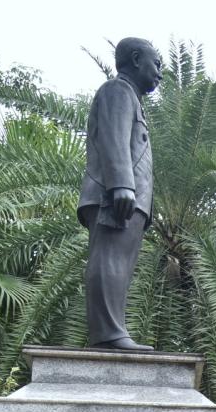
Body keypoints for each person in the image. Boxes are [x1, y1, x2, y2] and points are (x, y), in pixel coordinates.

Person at [78, 38, 161, 351]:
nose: (160, 74)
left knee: (120, 264)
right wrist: (121, 184)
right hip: (114, 196)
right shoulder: (118, 90)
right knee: (110, 259)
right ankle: (109, 334)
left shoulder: (131, 97)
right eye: (157, 64)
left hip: (129, 198)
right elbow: (114, 137)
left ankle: (113, 330)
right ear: (136, 59)